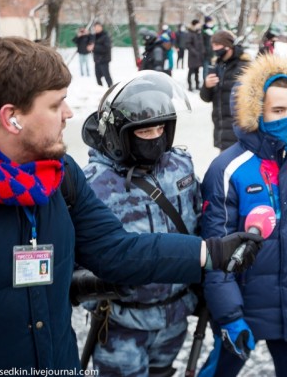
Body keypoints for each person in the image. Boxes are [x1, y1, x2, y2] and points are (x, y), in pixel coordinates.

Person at [0, 37, 263, 369]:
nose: (68, 113)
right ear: (11, 117)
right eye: (55, 103)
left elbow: (116, 250)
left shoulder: (58, 173)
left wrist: (209, 253)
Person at [198, 54, 287, 377]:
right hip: (245, 303)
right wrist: (229, 315)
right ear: (257, 112)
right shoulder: (228, 169)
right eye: (278, 110)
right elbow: (216, 252)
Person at [81, 71, 201, 376]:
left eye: (161, 128)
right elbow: (78, 255)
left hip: (174, 316)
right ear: (120, 133)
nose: (155, 137)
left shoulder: (180, 166)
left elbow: (201, 221)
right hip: (122, 322)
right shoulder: (94, 182)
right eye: (145, 131)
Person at [200, 30, 251, 151]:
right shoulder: (217, 65)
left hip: (240, 133)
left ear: (228, 46)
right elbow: (206, 98)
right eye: (213, 46)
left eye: (217, 45)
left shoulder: (244, 66)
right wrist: (207, 86)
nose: (214, 49)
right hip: (221, 131)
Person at [89, 21, 113, 87]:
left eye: (98, 27)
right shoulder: (94, 36)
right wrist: (90, 48)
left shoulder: (105, 36)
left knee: (106, 76)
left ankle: (111, 88)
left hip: (104, 60)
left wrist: (94, 47)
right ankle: (100, 90)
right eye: (95, 27)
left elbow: (106, 48)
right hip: (97, 60)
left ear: (101, 27)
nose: (96, 29)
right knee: (97, 77)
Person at [186, 19, 204, 91]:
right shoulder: (190, 33)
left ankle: (197, 85)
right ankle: (190, 85)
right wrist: (195, 52)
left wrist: (202, 51)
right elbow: (188, 44)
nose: (199, 26)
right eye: (198, 24)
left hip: (198, 56)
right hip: (193, 56)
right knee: (191, 71)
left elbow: (201, 43)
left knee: (197, 71)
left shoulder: (198, 32)